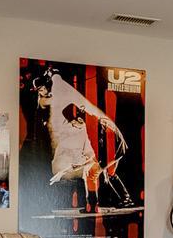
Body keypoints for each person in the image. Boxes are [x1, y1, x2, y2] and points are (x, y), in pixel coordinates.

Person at [37, 70, 134, 208]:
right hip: (119, 146)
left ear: (79, 119)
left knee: (90, 174)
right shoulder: (89, 121)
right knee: (110, 173)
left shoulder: (92, 127)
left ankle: (92, 206)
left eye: (73, 122)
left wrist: (79, 166)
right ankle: (126, 199)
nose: (73, 125)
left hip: (114, 147)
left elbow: (98, 154)